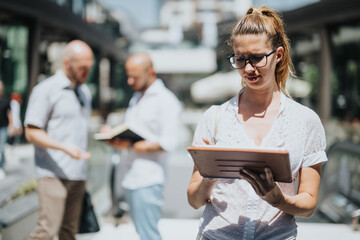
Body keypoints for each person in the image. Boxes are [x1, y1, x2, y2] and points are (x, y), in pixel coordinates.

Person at [187, 6, 327, 240]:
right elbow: (193, 200)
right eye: (240, 59)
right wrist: (210, 176)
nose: (248, 68)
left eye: (257, 58)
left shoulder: (305, 121)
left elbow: (309, 203)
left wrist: (278, 200)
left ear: (278, 55)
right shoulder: (215, 117)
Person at [104, 53, 182, 240]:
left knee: (148, 234)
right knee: (142, 232)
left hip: (148, 179)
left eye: (135, 76)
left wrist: (130, 145)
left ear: (151, 72)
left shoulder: (166, 100)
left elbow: (168, 142)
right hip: (130, 176)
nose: (130, 81)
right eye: (128, 76)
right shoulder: (137, 97)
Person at [24, 40, 93, 240]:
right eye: (82, 67)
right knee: (46, 232)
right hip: (52, 173)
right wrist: (64, 148)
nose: (86, 72)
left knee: (69, 233)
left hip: (78, 174)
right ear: (66, 63)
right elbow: (31, 132)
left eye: (89, 67)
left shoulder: (84, 92)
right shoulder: (46, 90)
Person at [0, 81, 14, 180]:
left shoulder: (5, 100)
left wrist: (12, 126)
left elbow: (10, 114)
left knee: (1, 148)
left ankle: (1, 167)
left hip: (3, 127)